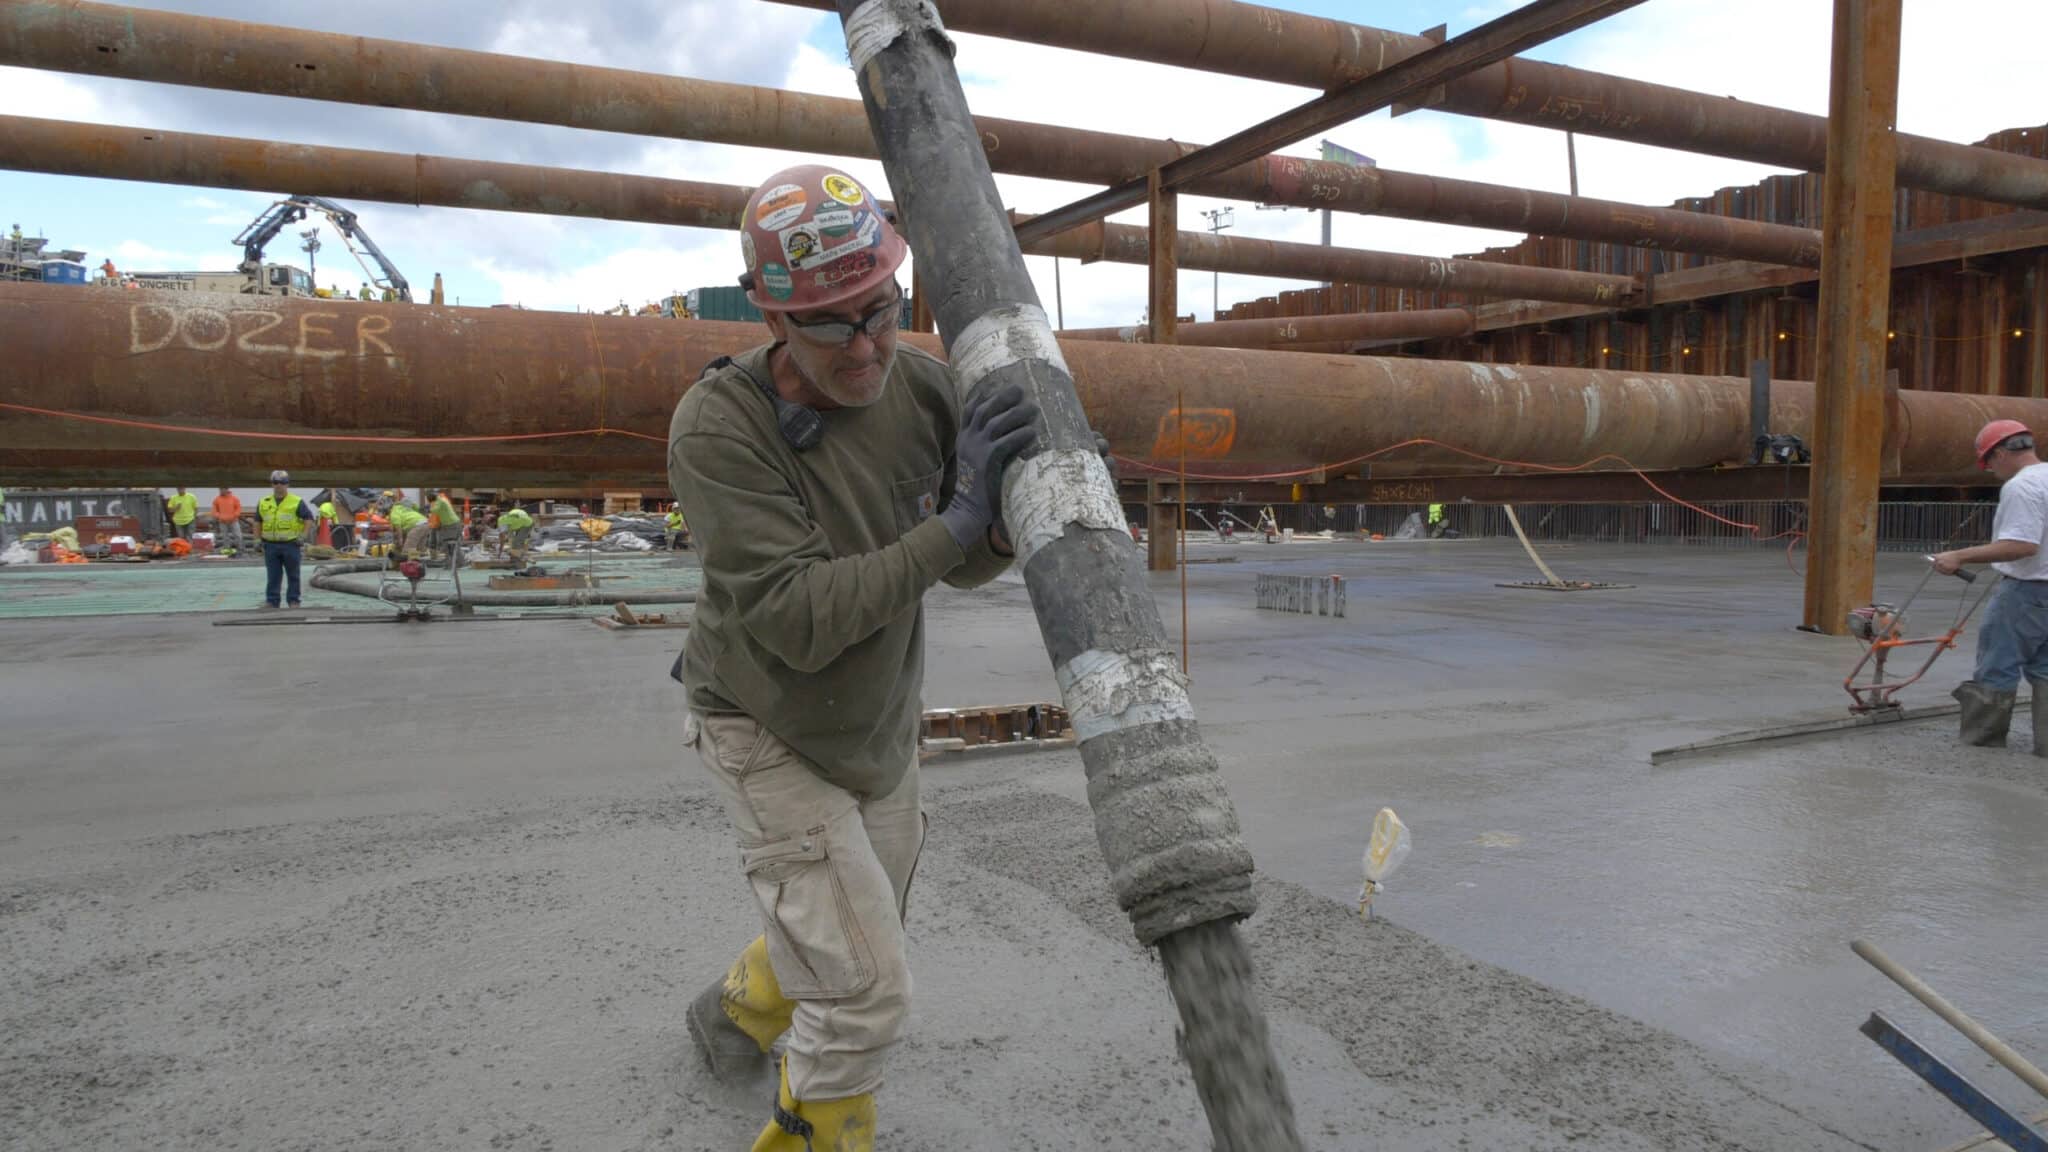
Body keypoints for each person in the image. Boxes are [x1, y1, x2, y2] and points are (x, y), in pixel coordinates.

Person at [668, 165, 1038, 1152]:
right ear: (772, 316)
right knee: (864, 988)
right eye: (833, 327)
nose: (869, 347)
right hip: (766, 725)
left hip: (873, 722)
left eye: (882, 309)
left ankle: (736, 1012)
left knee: (855, 926)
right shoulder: (722, 428)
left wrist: (999, 522)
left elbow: (960, 567)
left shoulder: (920, 389)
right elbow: (798, 618)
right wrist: (957, 520)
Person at [1937, 419, 2048, 753]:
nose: (1992, 472)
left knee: (1997, 665)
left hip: (2027, 592)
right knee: (2045, 668)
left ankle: (1982, 745)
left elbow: (2022, 545)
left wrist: (1958, 556)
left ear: (2000, 453)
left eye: (1989, 464)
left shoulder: (2022, 486)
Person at [257, 470, 318, 608]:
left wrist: (303, 535)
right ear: (272, 484)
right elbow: (257, 521)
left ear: (287, 484)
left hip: (291, 544)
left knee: (293, 575)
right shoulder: (264, 502)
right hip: (270, 545)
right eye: (275, 482)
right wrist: (256, 539)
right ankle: (272, 601)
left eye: (282, 482)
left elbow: (308, 518)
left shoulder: (296, 502)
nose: (279, 485)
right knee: (273, 575)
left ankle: (294, 601)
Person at [211, 486, 245, 554]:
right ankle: (227, 549)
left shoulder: (234, 498)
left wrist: (233, 516)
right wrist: (220, 517)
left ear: (226, 489)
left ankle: (241, 549)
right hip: (222, 522)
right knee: (225, 536)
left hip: (233, 521)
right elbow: (214, 511)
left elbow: (238, 509)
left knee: (238, 535)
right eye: (220, 489)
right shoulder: (216, 499)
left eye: (222, 489)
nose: (220, 491)